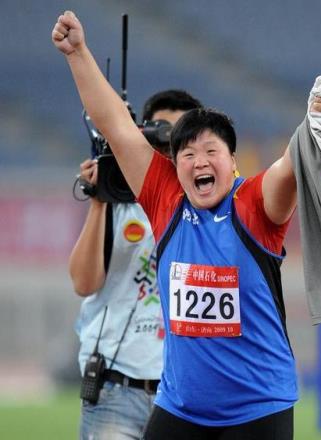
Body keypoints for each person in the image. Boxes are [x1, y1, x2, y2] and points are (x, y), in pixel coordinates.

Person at [53, 11, 321, 440]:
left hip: (258, 408)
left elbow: (289, 167)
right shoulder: (165, 199)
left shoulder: (252, 203)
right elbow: (116, 126)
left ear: (233, 161)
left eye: (210, 151)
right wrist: (77, 53)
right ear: (175, 165)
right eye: (187, 154)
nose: (199, 161)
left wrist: (315, 125)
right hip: (181, 408)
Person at [69, 89, 202, 440]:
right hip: (118, 389)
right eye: (160, 135)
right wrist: (100, 199)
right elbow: (83, 282)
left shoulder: (209, 207)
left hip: (185, 396)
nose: (168, 148)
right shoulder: (119, 198)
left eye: (180, 138)